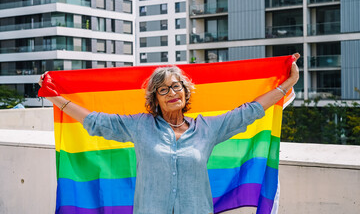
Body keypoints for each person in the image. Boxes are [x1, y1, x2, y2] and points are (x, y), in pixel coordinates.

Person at [39, 54, 300, 214]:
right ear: (155, 99)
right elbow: (97, 121)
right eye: (163, 90)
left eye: (176, 87)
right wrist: (56, 98)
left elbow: (249, 112)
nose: (171, 93)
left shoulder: (207, 129)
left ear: (185, 92)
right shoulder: (140, 126)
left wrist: (286, 85)